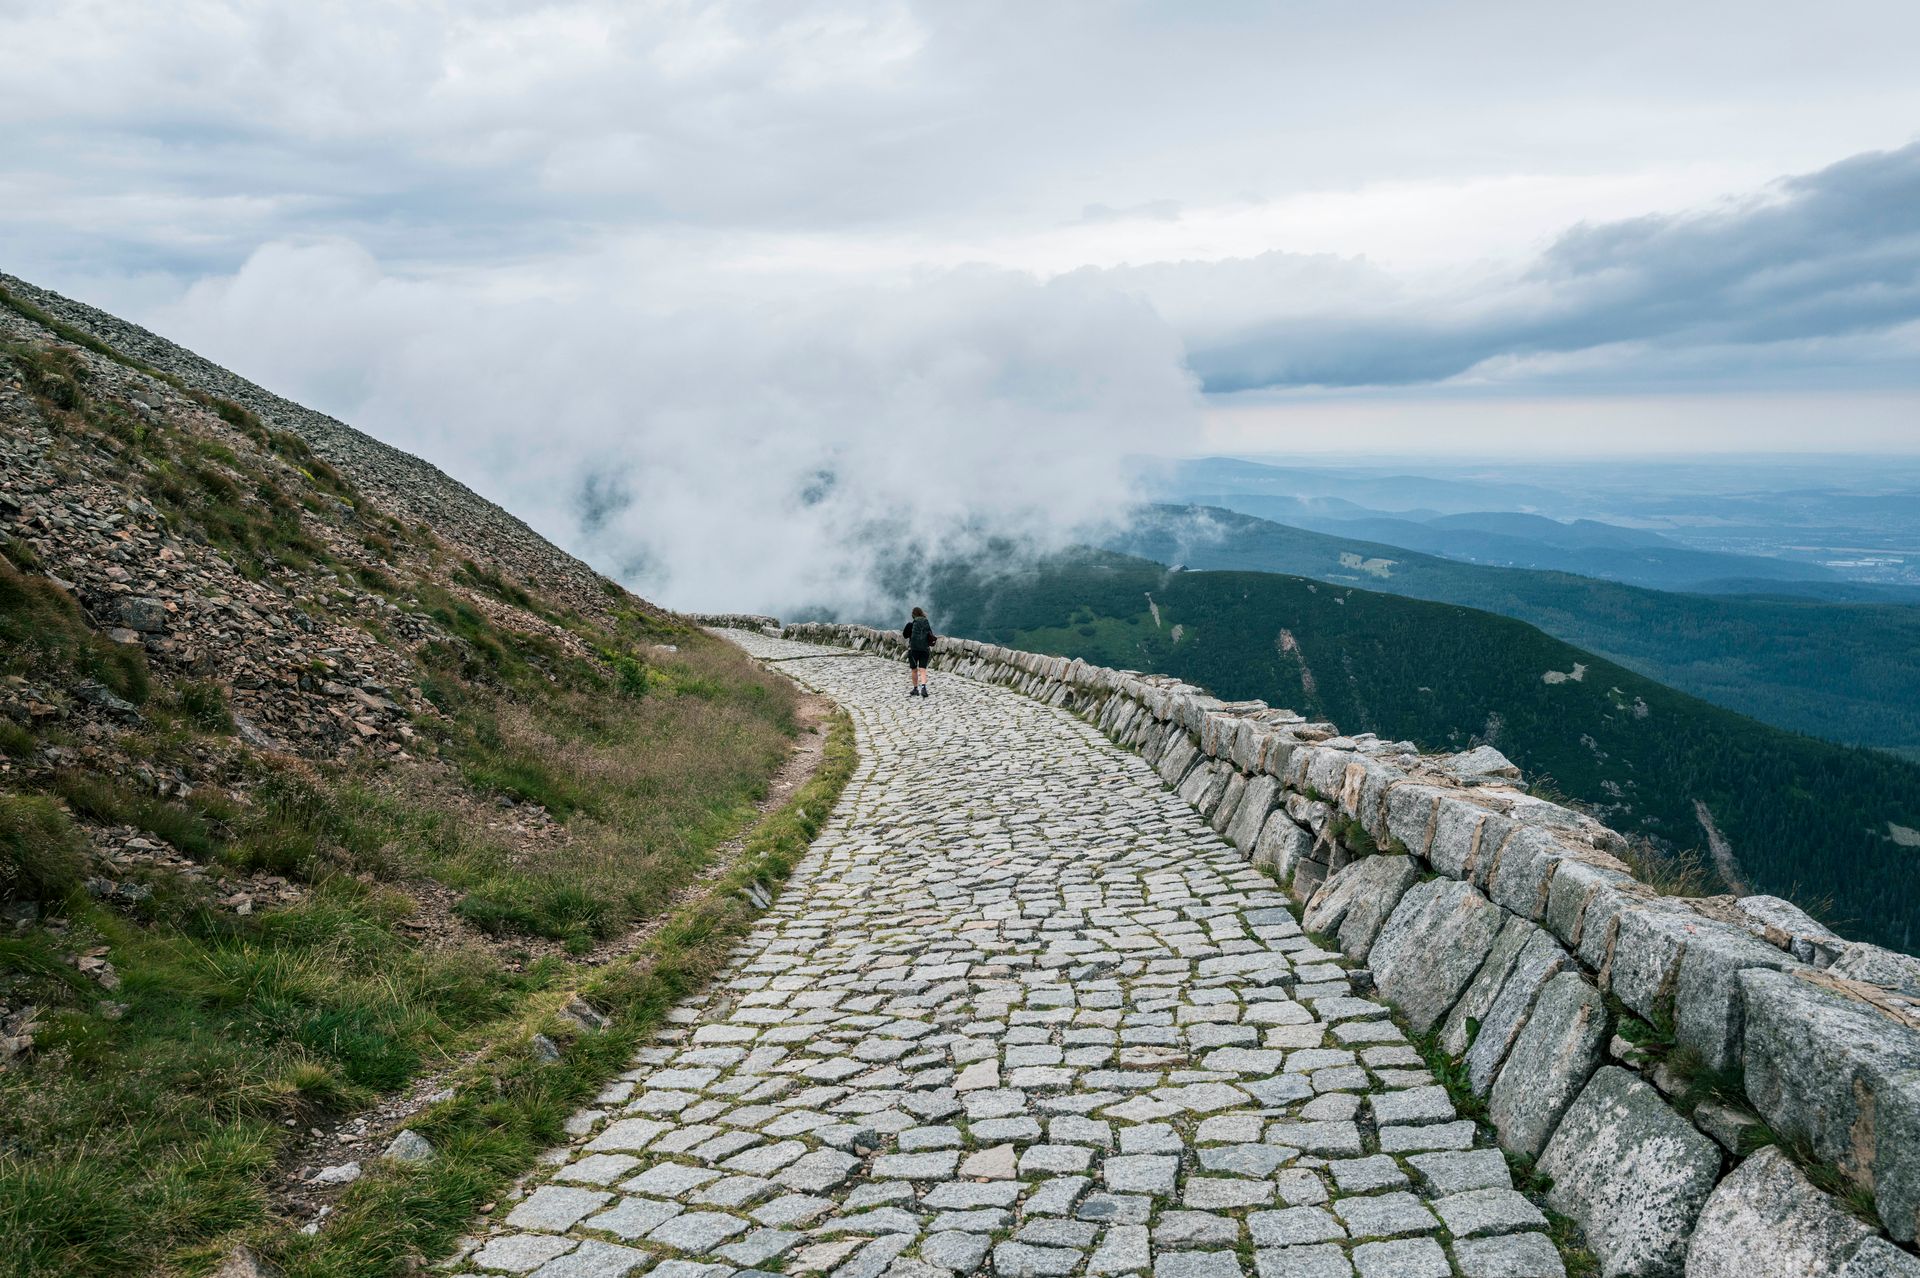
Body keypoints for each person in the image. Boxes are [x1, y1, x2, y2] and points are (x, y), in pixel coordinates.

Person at [902, 606, 936, 697]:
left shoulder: (910, 625)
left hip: (913, 650)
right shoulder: (926, 624)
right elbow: (930, 635)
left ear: (913, 615)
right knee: (922, 670)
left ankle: (915, 689)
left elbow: (905, 635)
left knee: (914, 670)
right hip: (925, 649)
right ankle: (924, 687)